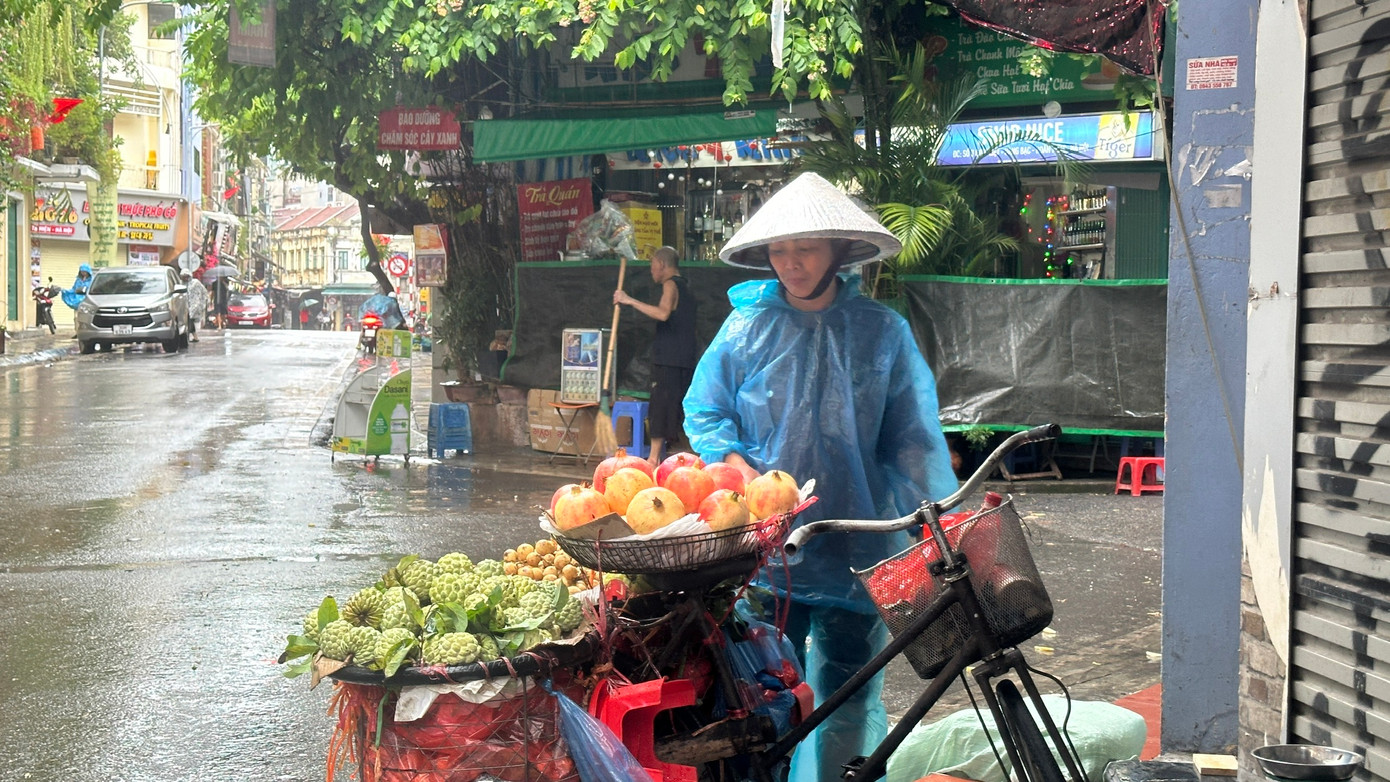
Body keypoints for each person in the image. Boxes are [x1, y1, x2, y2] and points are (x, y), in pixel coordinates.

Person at [683, 172, 957, 782]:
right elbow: (706, 409)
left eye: (804, 247)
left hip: (856, 540)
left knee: (846, 696)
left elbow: (912, 441)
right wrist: (737, 469)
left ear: (838, 249)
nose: (791, 262)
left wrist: (935, 520)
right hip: (766, 546)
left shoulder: (882, 332)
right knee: (763, 694)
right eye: (779, 250)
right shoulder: (745, 328)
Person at [613, 246, 698, 465]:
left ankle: (652, 459)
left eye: (652, 265)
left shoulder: (671, 284)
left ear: (661, 264)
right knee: (677, 405)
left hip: (668, 358)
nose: (651, 271)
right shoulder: (687, 286)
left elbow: (662, 313)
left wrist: (628, 300)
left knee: (660, 405)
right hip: (685, 357)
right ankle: (681, 456)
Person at [181, 270, 209, 342]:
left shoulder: (195, 283)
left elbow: (204, 292)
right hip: (185, 305)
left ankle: (192, 336)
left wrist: (202, 302)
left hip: (195, 304)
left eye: (186, 276)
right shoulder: (182, 284)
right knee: (188, 321)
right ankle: (194, 336)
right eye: (183, 277)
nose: (185, 278)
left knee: (190, 319)